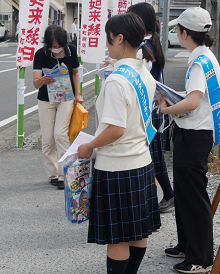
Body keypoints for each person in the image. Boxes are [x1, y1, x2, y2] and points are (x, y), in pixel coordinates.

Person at [78, 13, 161, 274]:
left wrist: (89, 146)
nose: (107, 43)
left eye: (108, 38)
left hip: (117, 167)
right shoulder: (143, 72)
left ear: (120, 38)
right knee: (137, 230)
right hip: (142, 163)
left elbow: (115, 129)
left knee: (117, 237)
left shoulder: (116, 80)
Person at [158, 7, 217, 273]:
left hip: (194, 135)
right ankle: (186, 245)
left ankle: (201, 258)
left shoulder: (197, 62)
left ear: (183, 33)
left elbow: (192, 102)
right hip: (198, 134)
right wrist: (174, 95)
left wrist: (165, 108)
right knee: (185, 193)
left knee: (193, 196)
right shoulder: (207, 57)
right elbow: (198, 96)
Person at [104, 2, 174, 212]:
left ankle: (154, 202)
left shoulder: (144, 48)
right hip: (153, 107)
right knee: (153, 157)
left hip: (147, 109)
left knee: (149, 158)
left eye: (131, 16)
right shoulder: (151, 43)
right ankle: (160, 199)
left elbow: (135, 78)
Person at [33, 25, 83, 190]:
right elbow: (35, 82)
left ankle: (64, 174)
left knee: (60, 134)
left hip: (66, 98)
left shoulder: (70, 51)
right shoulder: (41, 54)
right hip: (46, 99)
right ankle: (53, 174)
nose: (57, 49)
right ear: (47, 43)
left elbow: (75, 72)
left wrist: (78, 94)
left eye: (59, 45)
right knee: (47, 139)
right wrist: (42, 81)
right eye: (53, 46)